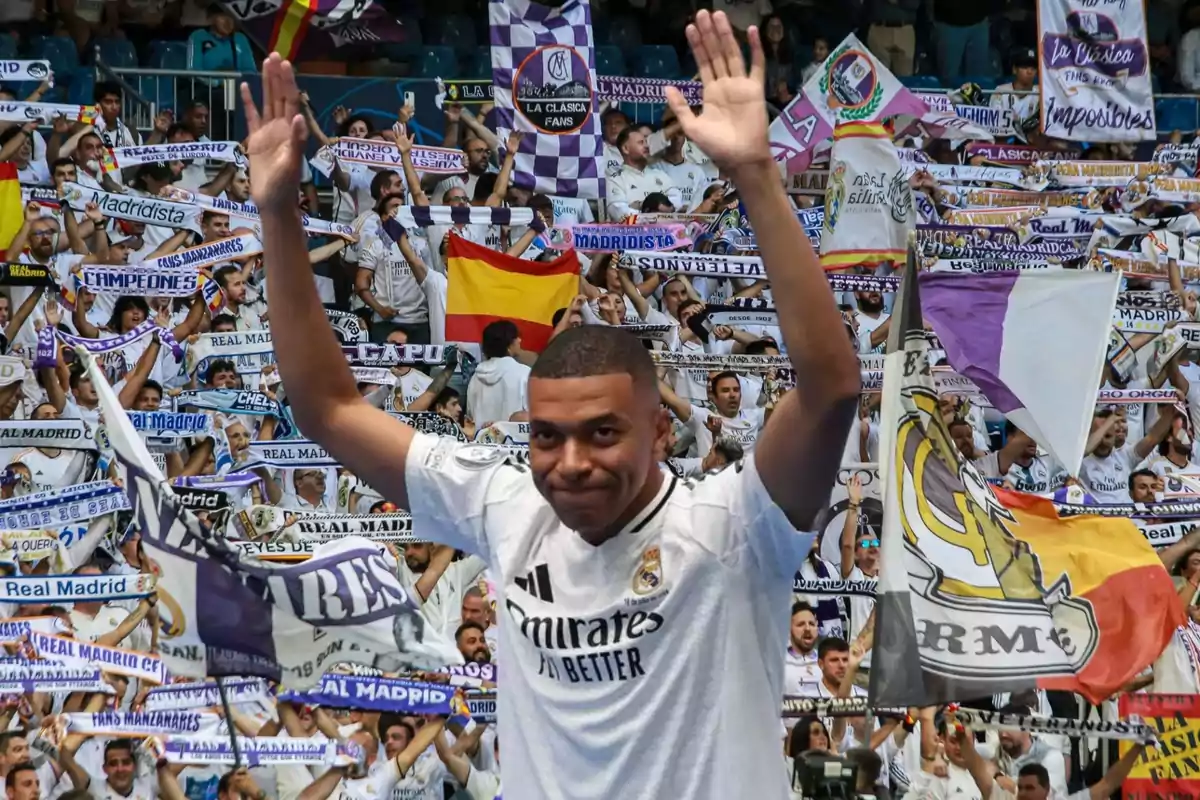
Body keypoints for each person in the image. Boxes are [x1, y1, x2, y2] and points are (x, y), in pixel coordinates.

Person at [241, 8, 860, 797]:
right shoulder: (506, 508)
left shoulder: (736, 528)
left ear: (661, 428)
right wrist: (277, 215)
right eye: (548, 437)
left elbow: (833, 387)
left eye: (603, 433)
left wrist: (755, 177)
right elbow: (328, 408)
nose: (570, 464)